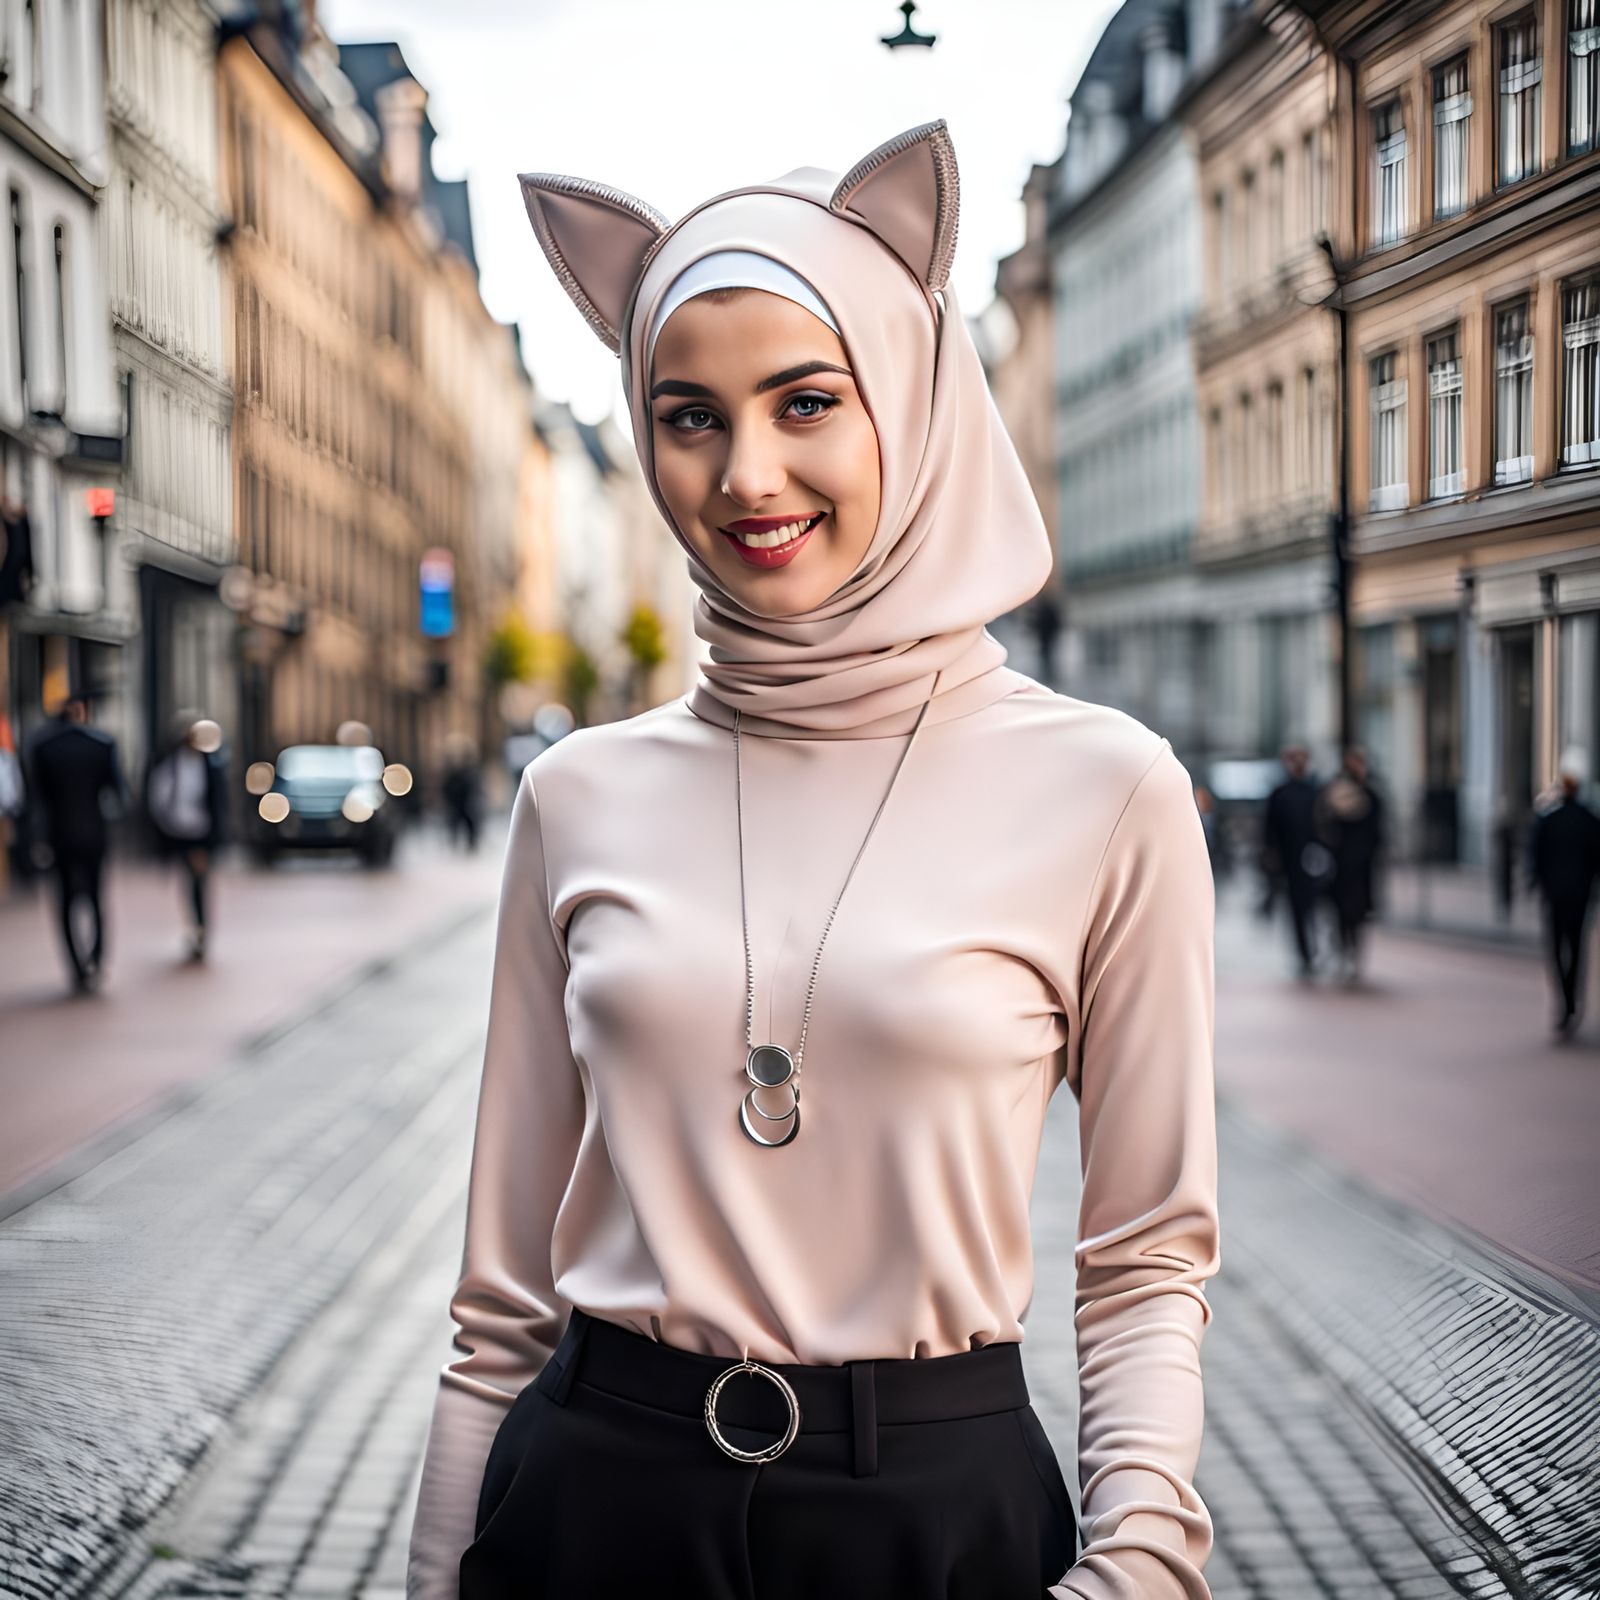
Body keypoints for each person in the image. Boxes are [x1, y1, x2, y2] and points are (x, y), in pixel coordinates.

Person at [406, 122, 1220, 1600]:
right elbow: (500, 1303)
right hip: (590, 1507)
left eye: (805, 401)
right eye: (689, 414)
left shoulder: (1110, 791)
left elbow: (1148, 1257)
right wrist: (431, 1575)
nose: (747, 475)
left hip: (937, 1518)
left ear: (906, 400)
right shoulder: (576, 794)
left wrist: (1142, 1569)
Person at [24, 692, 127, 992]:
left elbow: (35, 798)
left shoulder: (45, 747)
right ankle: (95, 957)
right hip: (93, 833)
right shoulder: (101, 745)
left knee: (67, 901)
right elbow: (118, 792)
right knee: (95, 898)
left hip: (60, 834)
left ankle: (76, 965)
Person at [1527, 746, 1600, 1038]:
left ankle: (1565, 1001)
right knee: (1577, 948)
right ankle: (1571, 1001)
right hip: (1579, 895)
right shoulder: (1589, 820)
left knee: (1557, 948)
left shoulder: (1549, 818)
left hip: (1556, 895)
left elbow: (1536, 857)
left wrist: (1537, 883)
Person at [145, 712, 229, 960]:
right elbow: (158, 797)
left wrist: (213, 837)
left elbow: (218, 803)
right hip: (178, 833)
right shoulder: (169, 763)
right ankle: (196, 927)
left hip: (200, 834)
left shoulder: (210, 765)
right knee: (188, 881)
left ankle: (201, 929)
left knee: (198, 882)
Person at [1314, 746, 1386, 985]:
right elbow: (1322, 825)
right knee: (1339, 913)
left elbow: (1378, 831)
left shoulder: (1371, 794)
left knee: (1358, 914)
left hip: (1361, 867)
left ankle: (1353, 955)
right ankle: (1343, 952)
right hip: (1340, 866)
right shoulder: (1334, 793)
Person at [1260, 742, 1325, 979]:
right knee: (1297, 910)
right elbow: (1269, 831)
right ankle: (1306, 954)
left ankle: (1317, 948)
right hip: (1290, 864)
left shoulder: (1316, 791)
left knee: (1318, 909)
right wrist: (1271, 859)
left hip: (1316, 861)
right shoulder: (1280, 793)